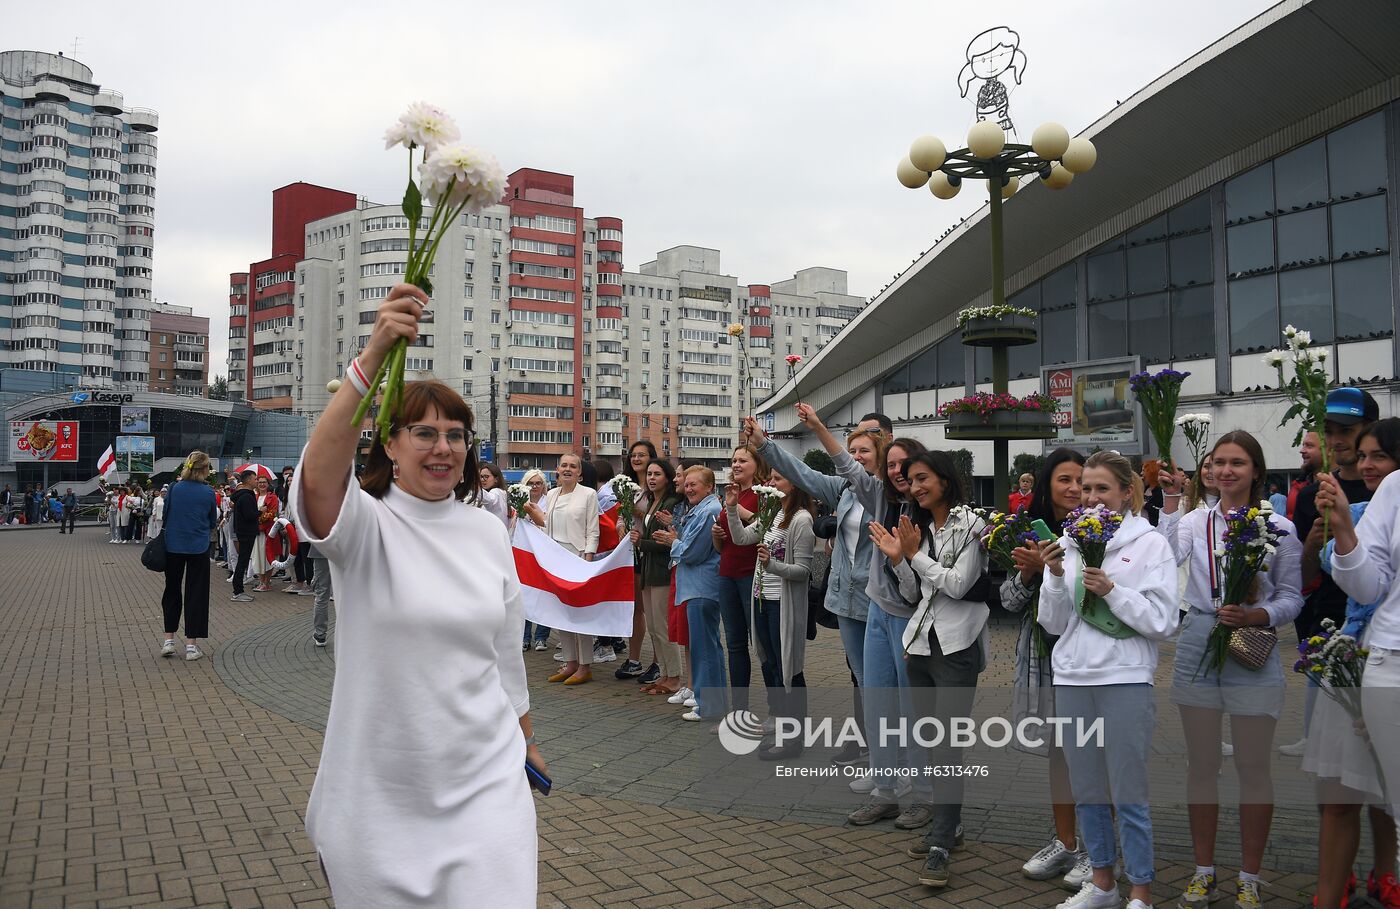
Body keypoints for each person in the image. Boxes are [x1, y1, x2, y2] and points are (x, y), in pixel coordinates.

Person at [294, 284, 543, 906]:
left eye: (455, 435)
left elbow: (506, 655)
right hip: (382, 792)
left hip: (488, 783)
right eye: (425, 433)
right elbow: (321, 472)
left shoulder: (488, 530)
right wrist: (376, 350)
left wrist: (528, 737)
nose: (443, 447)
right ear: (390, 445)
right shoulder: (364, 528)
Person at [1158, 431, 1303, 909]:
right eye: (1218, 462)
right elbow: (1161, 563)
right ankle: (1203, 872)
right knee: (1201, 764)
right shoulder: (1193, 523)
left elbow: (1292, 598)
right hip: (1200, 637)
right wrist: (1170, 500)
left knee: (1253, 766)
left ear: (1256, 471)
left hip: (1251, 643)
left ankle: (1250, 876)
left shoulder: (1278, 526)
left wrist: (1257, 615)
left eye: (1237, 463)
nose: (1226, 471)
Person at [1038, 450, 1178, 909]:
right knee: (1089, 789)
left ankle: (1140, 890)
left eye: (1102, 488)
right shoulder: (1069, 541)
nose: (1092, 496)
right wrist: (1057, 575)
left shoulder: (1151, 543)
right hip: (1074, 675)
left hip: (1125, 676)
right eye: (1086, 487)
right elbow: (1055, 623)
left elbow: (1163, 621)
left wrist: (1113, 591)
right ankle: (1102, 883)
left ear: (1125, 492)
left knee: (1128, 788)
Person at [793, 403, 936, 830]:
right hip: (877, 612)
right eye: (890, 465)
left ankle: (926, 794)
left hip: (912, 620)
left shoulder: (928, 512)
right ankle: (885, 791)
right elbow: (845, 466)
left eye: (903, 465)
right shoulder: (877, 496)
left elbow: (925, 583)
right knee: (876, 702)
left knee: (914, 708)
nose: (896, 472)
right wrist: (817, 426)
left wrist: (901, 558)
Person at [743, 414, 884, 770]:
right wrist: (763, 444)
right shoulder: (844, 490)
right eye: (852, 449)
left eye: (864, 450)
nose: (856, 455)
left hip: (877, 598)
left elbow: (845, 468)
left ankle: (882, 755)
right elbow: (800, 472)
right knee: (862, 679)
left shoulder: (884, 492)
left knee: (881, 682)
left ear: (881, 453)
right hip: (845, 597)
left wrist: (820, 428)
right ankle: (870, 751)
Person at [877, 451, 989, 887]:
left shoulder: (971, 524)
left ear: (945, 479)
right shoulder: (918, 529)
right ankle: (951, 824)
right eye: (910, 480)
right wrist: (899, 560)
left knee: (947, 747)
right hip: (920, 647)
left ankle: (942, 839)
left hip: (957, 647)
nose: (916, 486)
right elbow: (913, 593)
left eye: (923, 478)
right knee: (931, 742)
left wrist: (914, 556)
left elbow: (958, 586)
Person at [1304, 418, 1400, 909]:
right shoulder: (1371, 505)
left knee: (1385, 799)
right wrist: (1339, 526)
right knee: (1342, 793)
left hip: (1369, 657)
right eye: (1361, 455)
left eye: (1378, 456)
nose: (1366, 464)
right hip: (1360, 659)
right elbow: (1345, 579)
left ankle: (1388, 876)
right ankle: (1331, 892)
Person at [1000, 449, 1091, 886]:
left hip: (1090, 657)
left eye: (1081, 480)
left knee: (1093, 751)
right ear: (1045, 487)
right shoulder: (1027, 532)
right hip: (1043, 655)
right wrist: (1031, 573)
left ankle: (1097, 847)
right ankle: (1066, 842)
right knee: (1059, 751)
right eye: (1064, 480)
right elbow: (1008, 601)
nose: (1074, 489)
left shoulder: (1100, 533)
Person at [1282, 388, 1379, 756]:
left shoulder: (1388, 486)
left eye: (1347, 429)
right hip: (1329, 629)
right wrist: (1310, 543)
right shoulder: (1314, 493)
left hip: (1380, 636)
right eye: (1329, 429)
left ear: (1371, 428)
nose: (1336, 439)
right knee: (1326, 761)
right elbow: (1302, 581)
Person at [725, 467, 815, 759]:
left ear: (794, 484)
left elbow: (803, 572)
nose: (770, 483)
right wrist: (730, 508)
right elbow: (740, 539)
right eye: (770, 478)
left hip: (782, 603)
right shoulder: (771, 513)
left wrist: (772, 565)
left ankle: (793, 739)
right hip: (762, 599)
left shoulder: (801, 520)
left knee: (789, 670)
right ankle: (782, 732)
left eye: (777, 479)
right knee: (773, 666)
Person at [525, 452, 599, 685]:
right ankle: (570, 662)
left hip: (577, 556)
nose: (567, 469)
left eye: (572, 466)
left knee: (578, 612)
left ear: (579, 472)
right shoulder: (552, 494)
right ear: (557, 470)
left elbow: (593, 530)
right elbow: (547, 523)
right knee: (561, 612)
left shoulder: (589, 494)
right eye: (564, 465)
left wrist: (587, 560)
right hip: (554, 557)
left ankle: (585, 665)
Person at [708, 444, 770, 712]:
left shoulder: (764, 494)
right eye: (734, 460)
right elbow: (724, 545)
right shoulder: (731, 494)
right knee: (734, 643)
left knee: (762, 644)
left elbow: (765, 525)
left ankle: (775, 710)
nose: (736, 465)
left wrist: (735, 511)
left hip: (751, 575)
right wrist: (716, 535)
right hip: (727, 572)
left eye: (743, 460)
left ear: (757, 465)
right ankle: (739, 709)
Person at [670, 465, 724, 721]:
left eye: (694, 484)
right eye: (687, 484)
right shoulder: (701, 509)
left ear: (710, 487)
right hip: (696, 588)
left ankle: (708, 706)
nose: (689, 489)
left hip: (702, 588)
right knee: (706, 648)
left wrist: (672, 542)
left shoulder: (710, 510)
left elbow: (692, 553)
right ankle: (710, 703)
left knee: (705, 650)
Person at [159, 452, 220, 662]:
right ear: (205, 469)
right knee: (196, 594)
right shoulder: (208, 492)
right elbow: (212, 520)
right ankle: (191, 646)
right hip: (198, 546)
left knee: (172, 590)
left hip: (173, 545)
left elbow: (165, 514)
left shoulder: (174, 488)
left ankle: (168, 640)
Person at [632, 458, 684, 696]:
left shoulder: (671, 503)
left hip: (662, 571)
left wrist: (640, 542)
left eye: (657, 474)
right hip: (648, 570)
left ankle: (674, 677)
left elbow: (667, 542)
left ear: (667, 477)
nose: (652, 478)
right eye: (650, 474)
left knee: (663, 627)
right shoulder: (652, 501)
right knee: (653, 627)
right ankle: (663, 674)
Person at [619, 440, 660, 681]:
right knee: (636, 608)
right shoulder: (626, 486)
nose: (636, 459)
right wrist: (620, 524)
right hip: (630, 553)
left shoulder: (657, 486)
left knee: (654, 611)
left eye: (641, 455)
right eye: (633, 455)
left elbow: (658, 518)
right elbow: (621, 515)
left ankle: (658, 662)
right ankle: (634, 659)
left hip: (651, 551)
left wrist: (637, 514)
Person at [519, 468, 552, 651]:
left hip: (545, 553)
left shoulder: (550, 502)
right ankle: (524, 637)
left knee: (544, 595)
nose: (535, 486)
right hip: (525, 553)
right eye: (531, 483)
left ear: (544, 485)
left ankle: (541, 637)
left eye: (538, 483)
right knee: (525, 595)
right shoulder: (519, 501)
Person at [229, 470, 260, 602]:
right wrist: (260, 512)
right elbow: (249, 515)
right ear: (248, 480)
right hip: (247, 532)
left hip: (243, 531)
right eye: (255, 479)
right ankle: (238, 591)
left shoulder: (242, 495)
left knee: (243, 560)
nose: (257, 481)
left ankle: (238, 590)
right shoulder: (247, 496)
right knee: (243, 560)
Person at [249, 476, 281, 592]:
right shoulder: (254, 496)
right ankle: (261, 581)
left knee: (268, 556)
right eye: (260, 482)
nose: (262, 484)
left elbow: (272, 513)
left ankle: (266, 582)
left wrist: (258, 518)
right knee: (257, 556)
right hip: (256, 532)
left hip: (267, 531)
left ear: (268, 484)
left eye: (264, 482)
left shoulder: (272, 497)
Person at [1288, 431, 1323, 521]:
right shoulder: (1297, 485)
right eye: (1303, 445)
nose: (1302, 450)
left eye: (1309, 446)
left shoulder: (1336, 488)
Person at [476, 461, 510, 528]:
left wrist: (474, 486)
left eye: (486, 477)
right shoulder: (502, 492)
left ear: (496, 479)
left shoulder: (497, 492)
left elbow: (490, 499)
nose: (483, 480)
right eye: (481, 476)